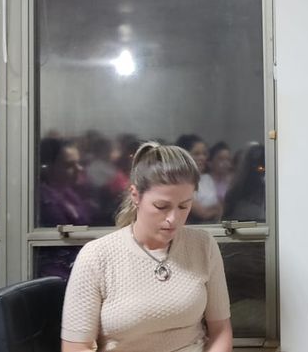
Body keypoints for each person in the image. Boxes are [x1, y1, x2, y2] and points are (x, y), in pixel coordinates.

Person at [61, 141, 233, 352]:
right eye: (161, 206)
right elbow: (76, 347)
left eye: (184, 206)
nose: (173, 219)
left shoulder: (203, 245)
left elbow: (221, 331)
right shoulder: (97, 256)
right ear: (135, 196)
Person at [192, 141, 233, 223]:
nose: (202, 158)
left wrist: (215, 210)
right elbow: (202, 213)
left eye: (204, 154)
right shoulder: (181, 182)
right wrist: (215, 210)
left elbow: (220, 209)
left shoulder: (207, 179)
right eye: (196, 154)